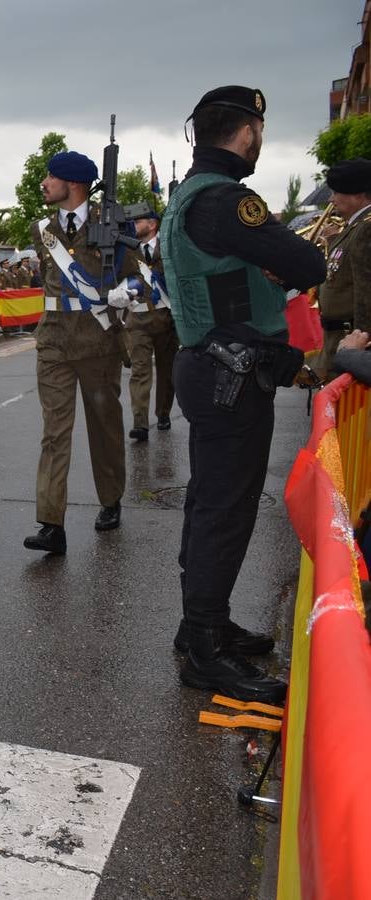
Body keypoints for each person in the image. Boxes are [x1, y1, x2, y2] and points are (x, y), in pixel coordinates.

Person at [164, 85, 326, 703]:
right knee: (224, 510)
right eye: (261, 131)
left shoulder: (187, 196)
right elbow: (307, 265)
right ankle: (205, 649)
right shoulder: (229, 201)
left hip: (208, 366)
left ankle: (200, 624)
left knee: (211, 501)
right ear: (248, 131)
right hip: (229, 373)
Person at [23, 150, 141, 555]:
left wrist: (129, 293)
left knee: (104, 427)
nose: (44, 183)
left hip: (98, 341)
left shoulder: (111, 225)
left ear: (72, 184)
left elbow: (140, 277)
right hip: (53, 341)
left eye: (50, 177)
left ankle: (110, 499)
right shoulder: (42, 231)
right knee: (54, 433)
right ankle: (51, 523)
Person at [124, 211, 179, 442]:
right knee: (139, 372)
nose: (134, 224)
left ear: (152, 224)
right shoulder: (127, 250)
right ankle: (140, 423)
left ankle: (163, 413)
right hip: (137, 319)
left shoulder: (169, 248)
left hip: (165, 318)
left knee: (167, 371)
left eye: (138, 221)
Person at [322, 159, 371, 340]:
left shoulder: (366, 229)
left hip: (350, 337)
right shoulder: (356, 227)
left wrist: (362, 341)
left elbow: (366, 293)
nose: (331, 199)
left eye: (336, 192)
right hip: (337, 335)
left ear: (357, 194)